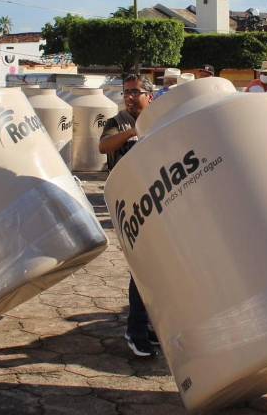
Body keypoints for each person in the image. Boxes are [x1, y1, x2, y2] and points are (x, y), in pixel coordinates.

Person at [99, 73, 158, 358]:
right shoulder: (117, 122)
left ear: (150, 96)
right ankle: (136, 332)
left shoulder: (159, 121)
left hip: (156, 202)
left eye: (135, 92)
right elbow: (104, 146)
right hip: (130, 206)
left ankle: (148, 326)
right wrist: (134, 131)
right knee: (142, 270)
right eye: (127, 92)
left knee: (158, 269)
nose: (130, 97)